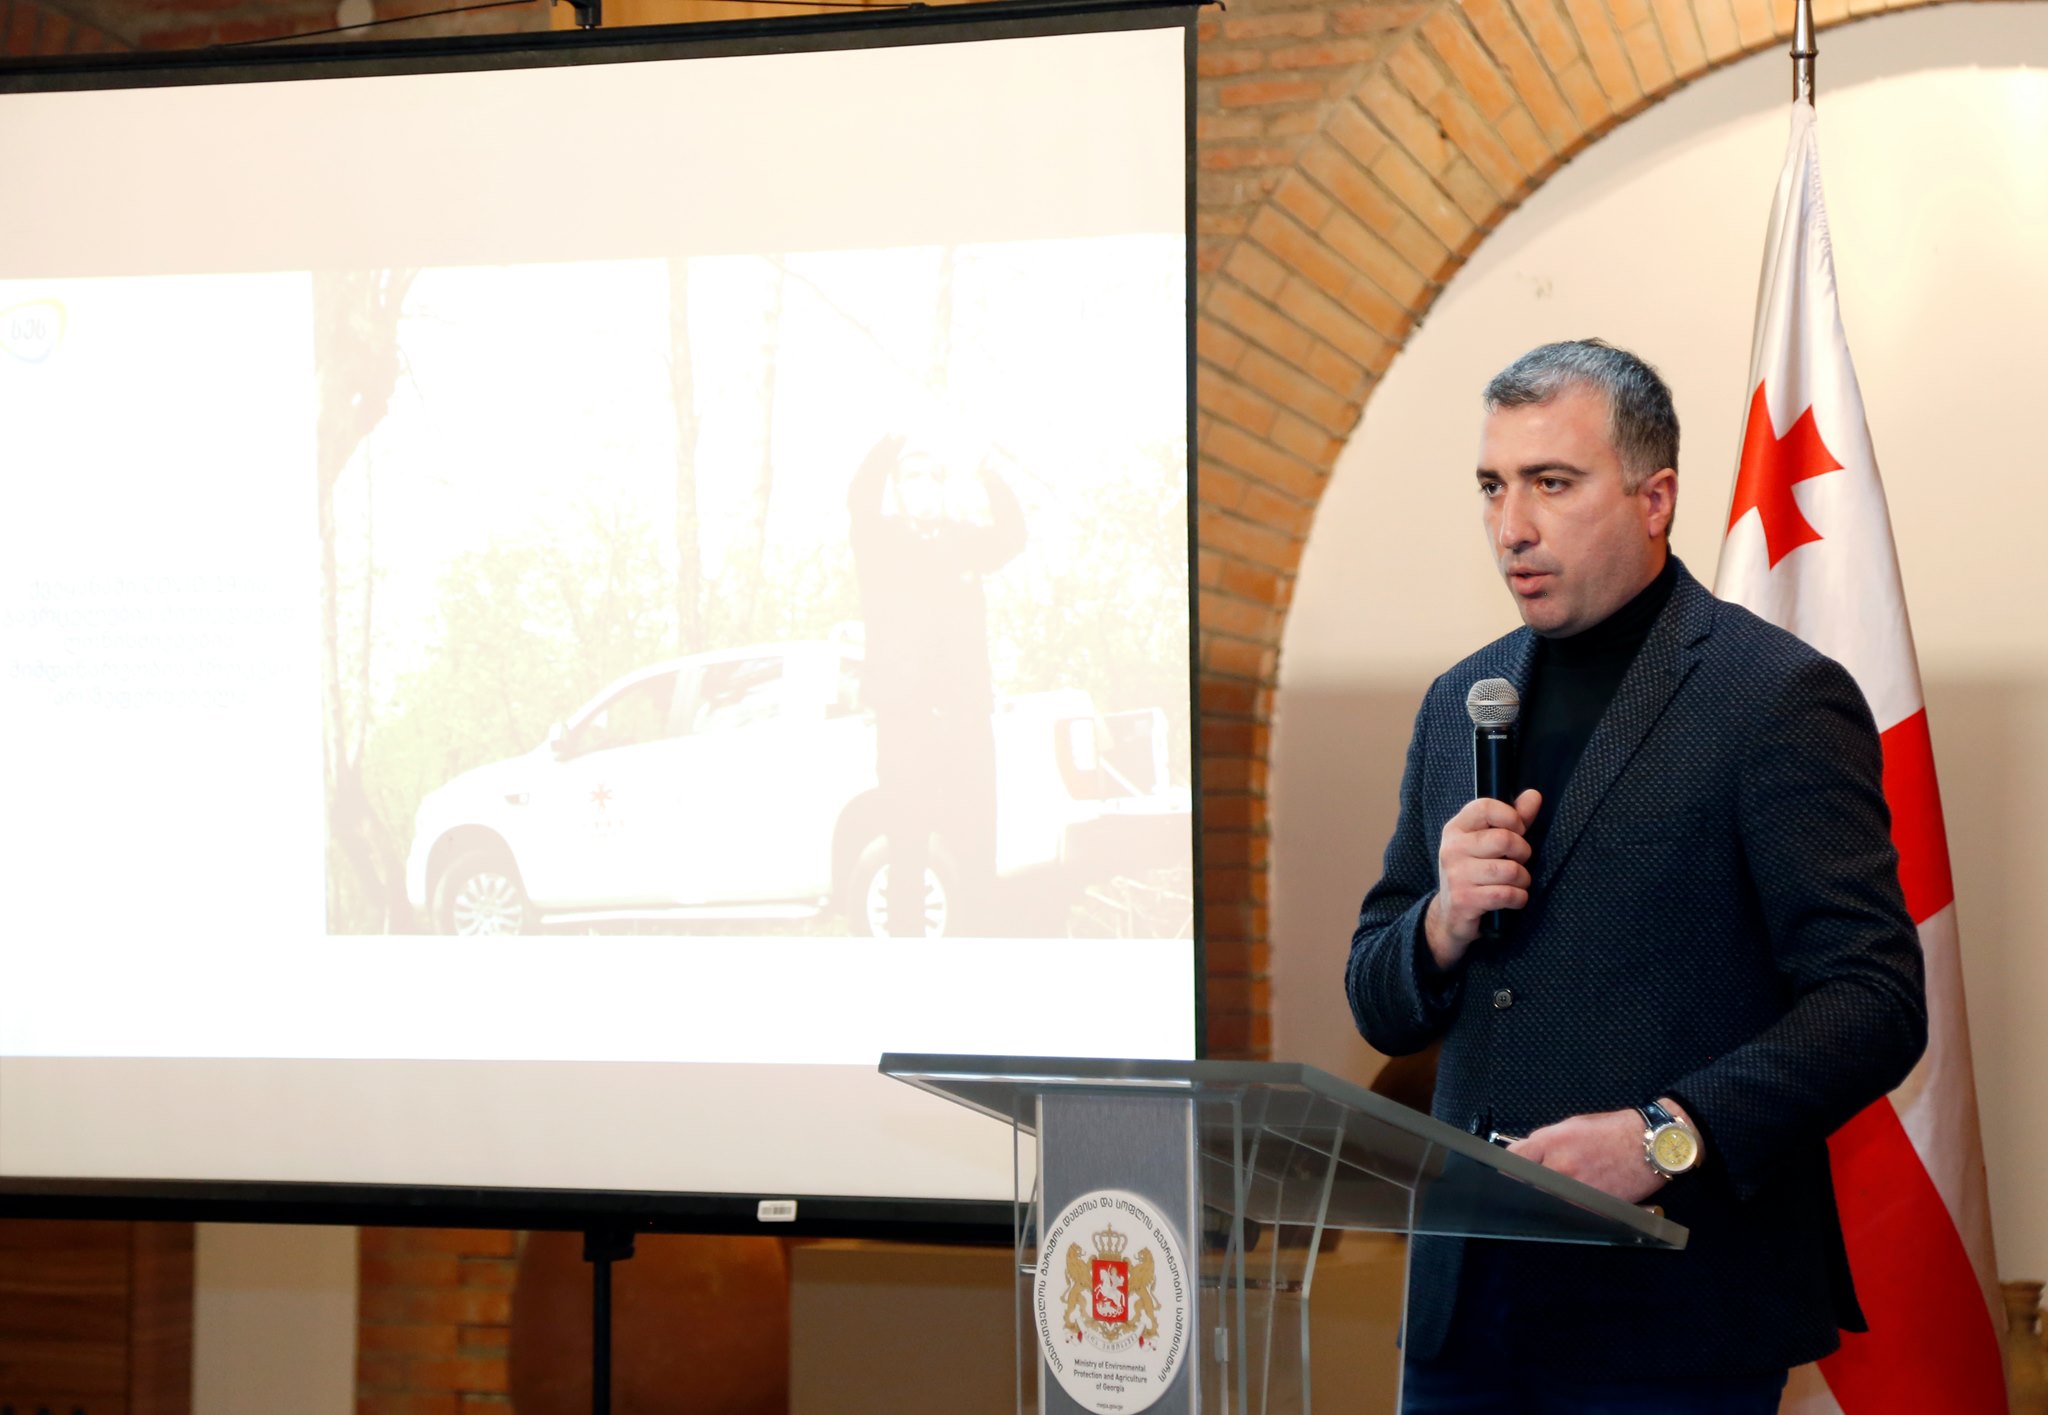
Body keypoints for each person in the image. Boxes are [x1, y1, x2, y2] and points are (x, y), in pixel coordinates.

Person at [1344, 340, 1926, 1412]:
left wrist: (1667, 1132)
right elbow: (1377, 999)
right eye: (1492, 486)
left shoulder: (1772, 696)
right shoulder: (1461, 700)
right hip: (1466, 1312)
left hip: (1670, 1315)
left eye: (1550, 483)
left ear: (1654, 498)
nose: (1511, 526)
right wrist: (1440, 921)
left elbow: (1874, 998)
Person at [847, 429, 1026, 935]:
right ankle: (908, 954)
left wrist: (990, 476)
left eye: (932, 476)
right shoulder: (878, 540)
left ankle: (977, 948)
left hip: (966, 717)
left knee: (976, 841)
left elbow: (1013, 538)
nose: (923, 484)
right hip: (904, 719)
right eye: (913, 476)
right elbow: (859, 498)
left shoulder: (963, 541)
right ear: (897, 487)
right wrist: (891, 440)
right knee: (907, 844)